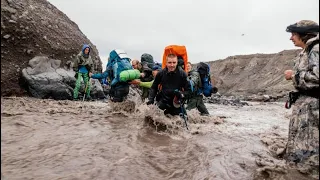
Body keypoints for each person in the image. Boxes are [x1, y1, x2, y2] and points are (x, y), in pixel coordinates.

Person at [284, 20, 319, 176]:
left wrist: (294, 76)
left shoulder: (317, 49)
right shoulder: (307, 51)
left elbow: (318, 78)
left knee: (311, 152)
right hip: (306, 108)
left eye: (293, 34)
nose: (291, 38)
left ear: (305, 34)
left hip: (314, 110)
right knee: (302, 148)